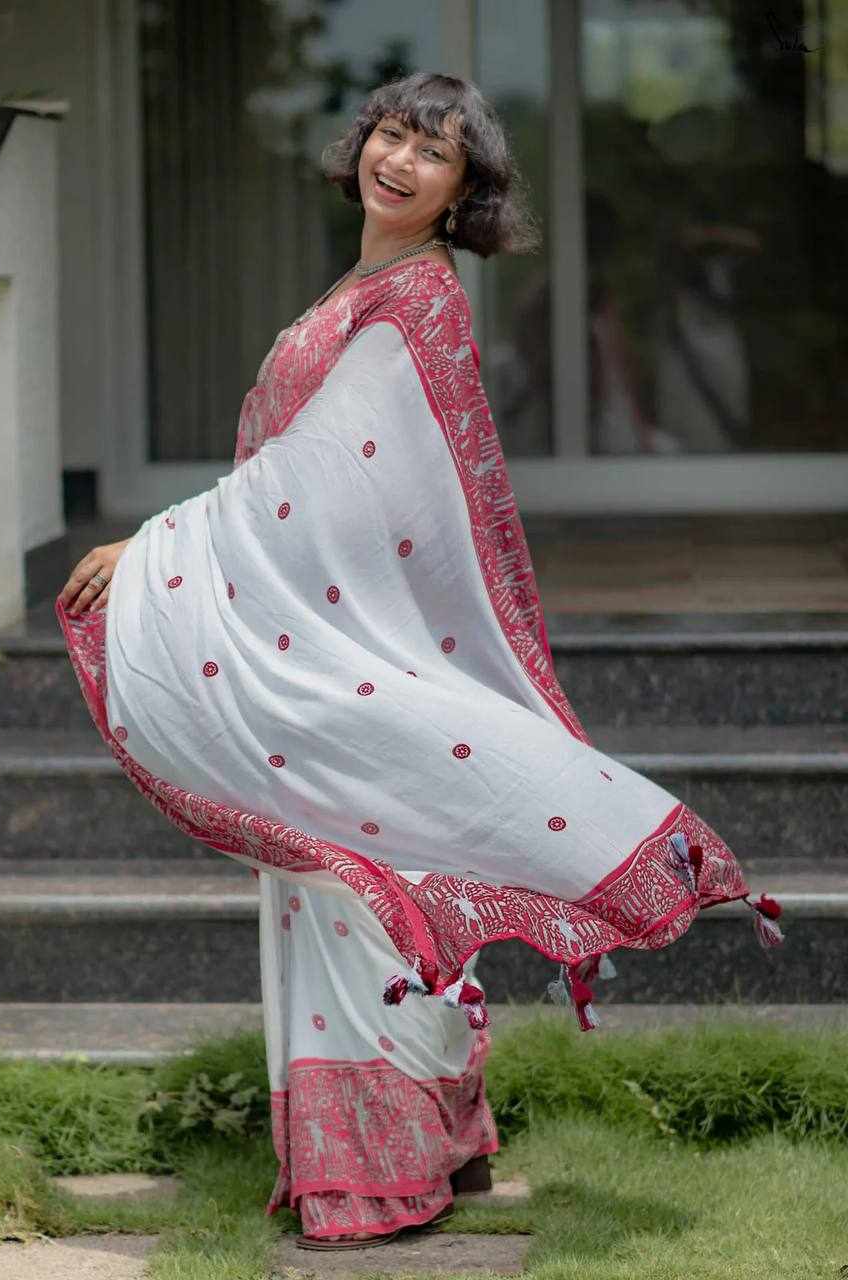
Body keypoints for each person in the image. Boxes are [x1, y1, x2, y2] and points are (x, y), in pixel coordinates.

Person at [56, 72, 781, 1251]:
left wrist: (153, 540)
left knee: (358, 883)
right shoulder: (367, 285)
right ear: (362, 146)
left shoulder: (419, 300)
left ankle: (379, 1173)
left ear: (462, 191)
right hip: (307, 630)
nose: (400, 161)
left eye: (433, 153)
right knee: (357, 877)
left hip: (333, 643)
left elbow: (319, 483)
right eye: (391, 134)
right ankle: (437, 1142)